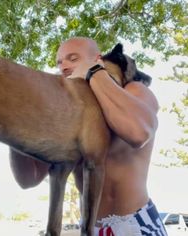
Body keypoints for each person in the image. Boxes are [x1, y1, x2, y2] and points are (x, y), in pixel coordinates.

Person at [10, 37, 167, 236]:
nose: (64, 66)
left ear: (97, 59)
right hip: (91, 227)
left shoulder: (133, 90)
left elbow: (138, 133)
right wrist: (18, 117)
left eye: (73, 59)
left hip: (136, 223)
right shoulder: (64, 114)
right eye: (59, 63)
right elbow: (28, 179)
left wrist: (94, 73)